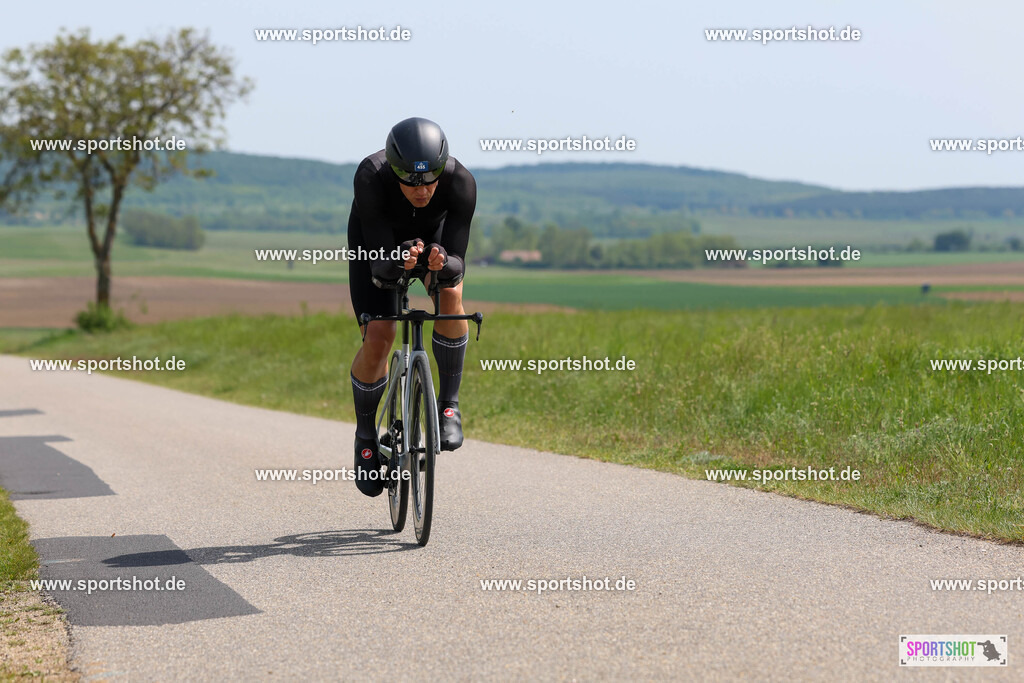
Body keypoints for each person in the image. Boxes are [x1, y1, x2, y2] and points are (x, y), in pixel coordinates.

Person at [347, 117, 477, 497]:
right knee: (381, 334)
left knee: (451, 296)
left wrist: (440, 261)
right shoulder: (371, 176)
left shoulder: (461, 182)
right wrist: (398, 259)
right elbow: (380, 267)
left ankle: (448, 407)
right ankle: (366, 434)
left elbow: (458, 262)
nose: (422, 190)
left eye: (431, 178)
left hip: (433, 243)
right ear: (394, 169)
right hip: (379, 247)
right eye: (410, 180)